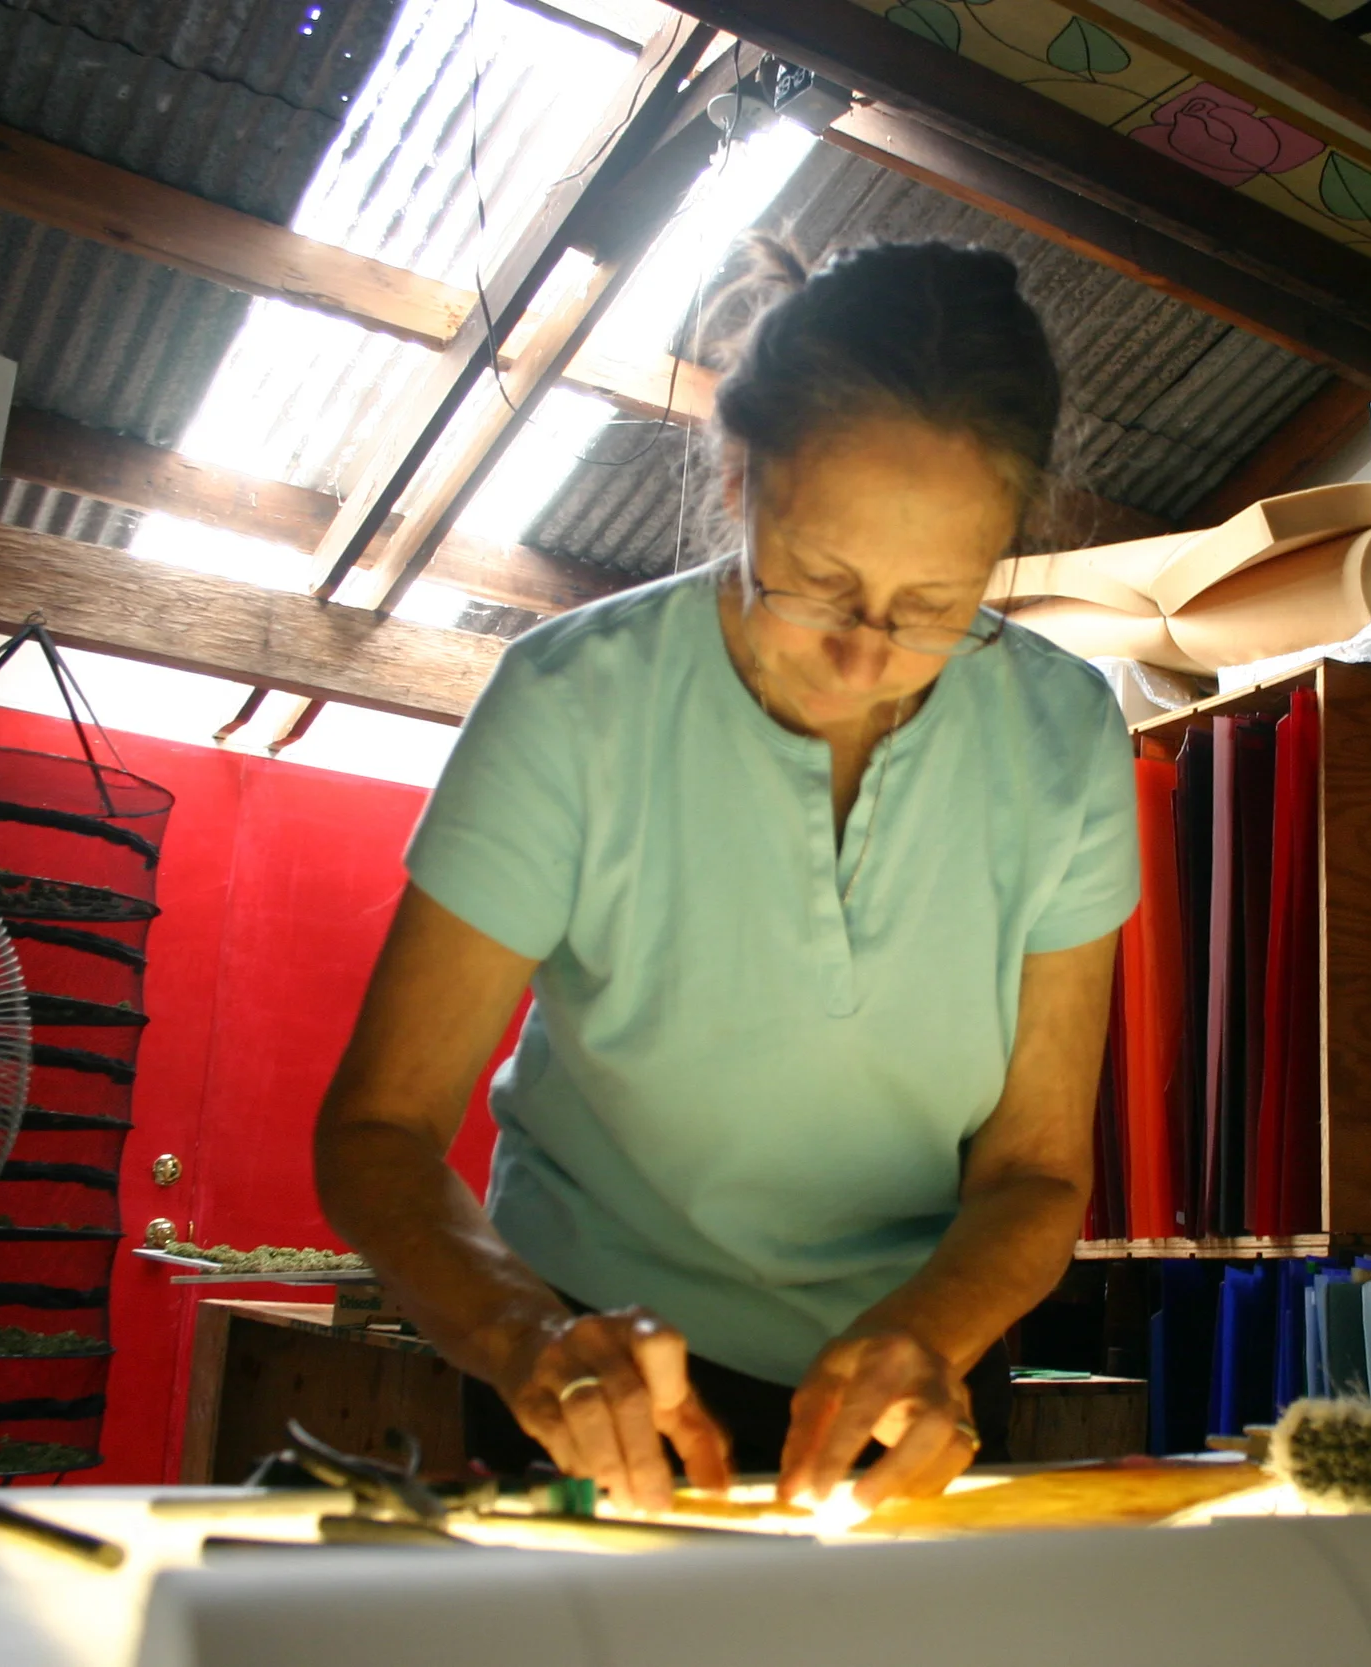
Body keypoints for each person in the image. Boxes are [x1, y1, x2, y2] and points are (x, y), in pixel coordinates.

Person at [314, 240, 1137, 1513]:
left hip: (914, 1361)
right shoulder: (573, 704)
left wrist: (924, 1332)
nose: (864, 658)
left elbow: (1035, 1168)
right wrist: (527, 1338)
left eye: (934, 606)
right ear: (739, 477)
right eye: (820, 584)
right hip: (594, 1357)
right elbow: (379, 1129)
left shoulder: (1064, 735)